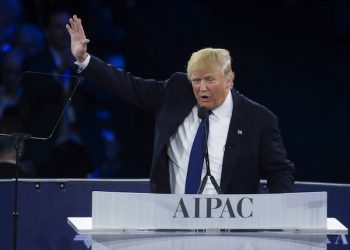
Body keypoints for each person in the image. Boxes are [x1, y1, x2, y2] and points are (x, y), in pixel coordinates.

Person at [66, 15, 295, 194]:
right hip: (171, 222)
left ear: (228, 81)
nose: (201, 88)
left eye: (209, 80)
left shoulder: (258, 119)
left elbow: (280, 172)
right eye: (196, 80)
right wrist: (85, 60)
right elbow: (128, 85)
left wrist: (278, 216)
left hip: (231, 230)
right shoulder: (176, 91)